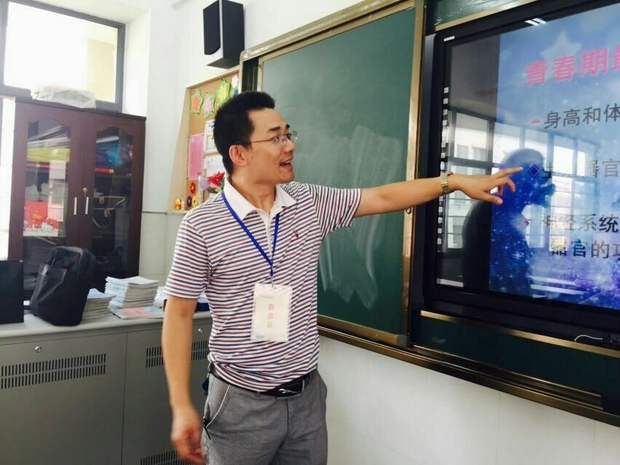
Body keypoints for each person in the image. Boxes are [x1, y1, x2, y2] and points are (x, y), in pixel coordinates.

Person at [162, 90, 522, 465]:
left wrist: (453, 182)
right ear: (239, 154)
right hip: (240, 403)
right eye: (276, 138)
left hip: (306, 399)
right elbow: (179, 314)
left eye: (288, 134)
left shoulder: (308, 202)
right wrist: (180, 404)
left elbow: (382, 198)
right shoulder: (201, 226)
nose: (290, 146)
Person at [462, 148, 555, 295]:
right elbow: (510, 281)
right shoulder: (497, 212)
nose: (544, 179)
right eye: (535, 171)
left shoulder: (499, 208)